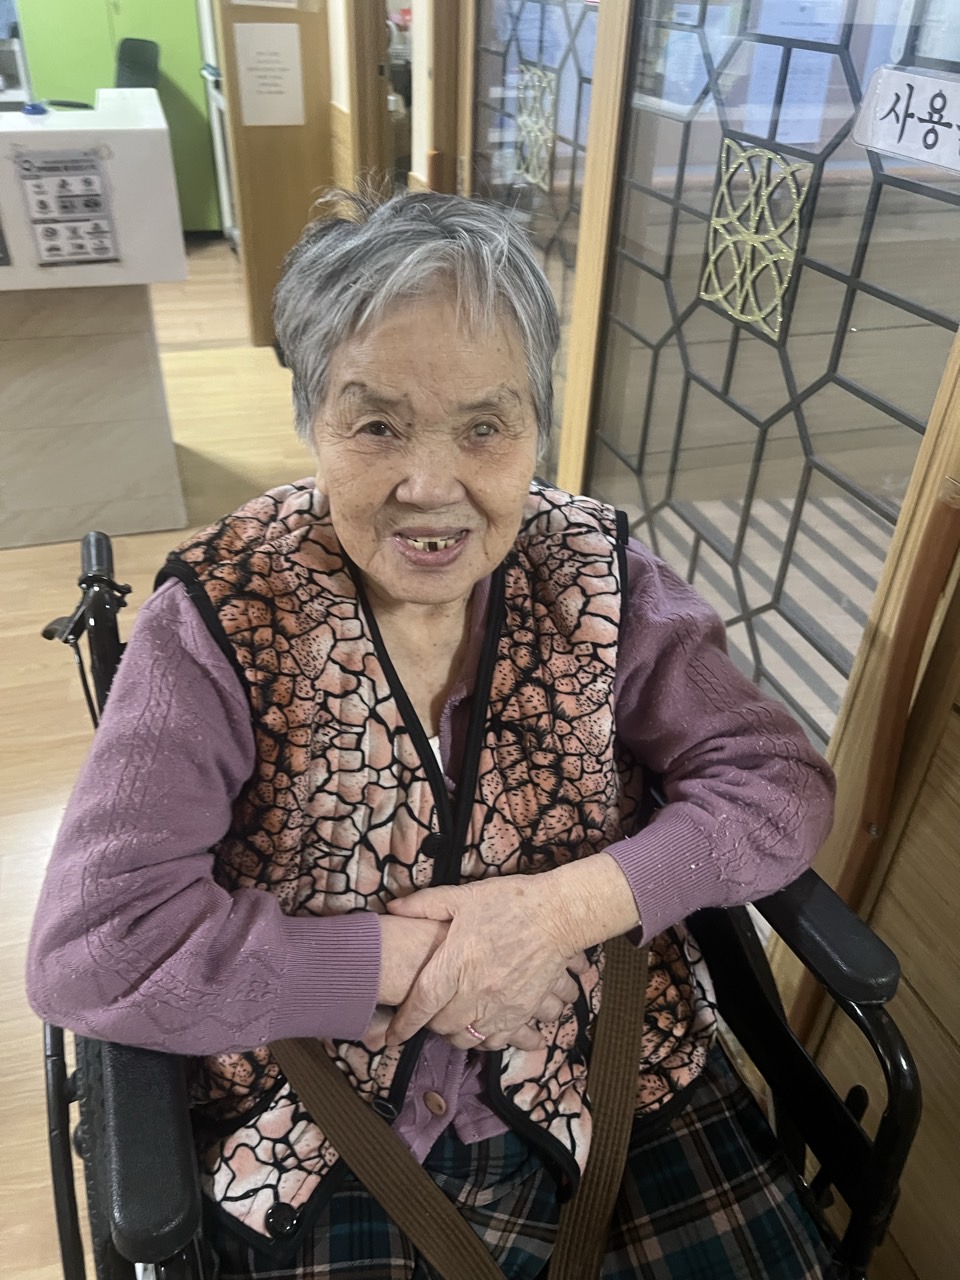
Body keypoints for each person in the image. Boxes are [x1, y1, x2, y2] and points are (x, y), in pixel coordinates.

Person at [28, 189, 836, 1279]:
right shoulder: (223, 618)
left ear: (535, 428)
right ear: (312, 421)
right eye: (376, 425)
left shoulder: (598, 580)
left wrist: (558, 912)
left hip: (606, 1071)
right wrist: (413, 958)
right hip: (313, 1117)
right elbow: (96, 944)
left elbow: (777, 785)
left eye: (484, 427)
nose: (430, 483)